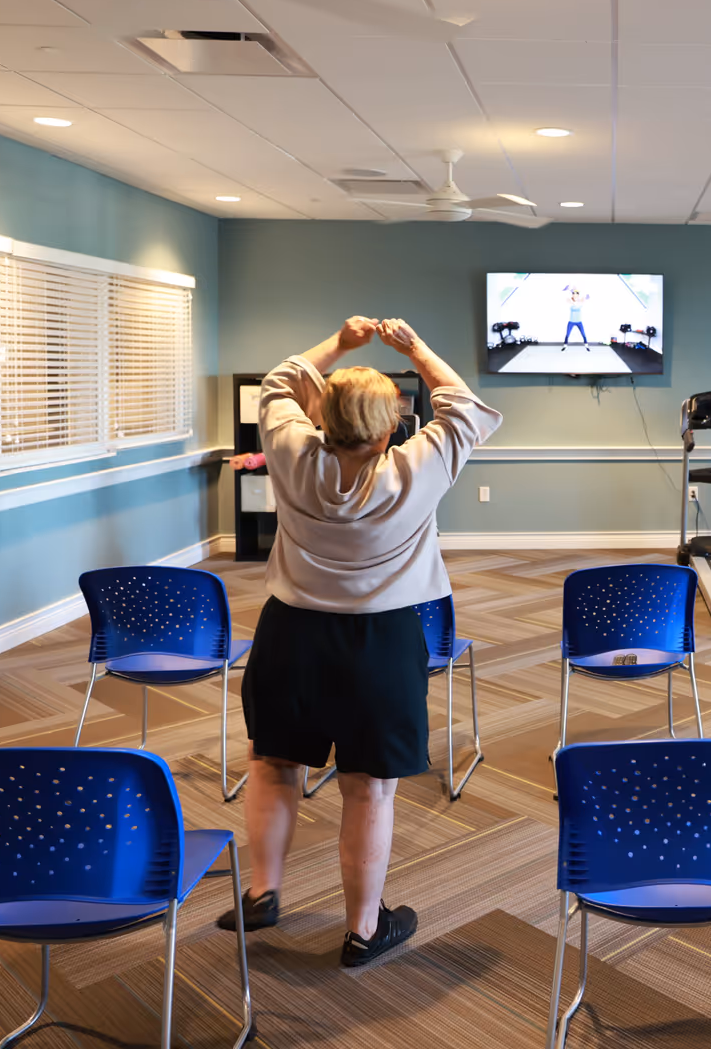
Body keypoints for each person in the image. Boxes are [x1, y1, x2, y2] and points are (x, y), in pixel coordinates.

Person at [217, 316, 501, 967]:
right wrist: (415, 347)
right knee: (369, 787)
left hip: (290, 634)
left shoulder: (290, 450)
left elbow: (280, 379)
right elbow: (462, 403)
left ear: (322, 414)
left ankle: (262, 892)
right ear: (392, 425)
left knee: (274, 763)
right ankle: (363, 930)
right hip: (381, 642)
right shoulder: (418, 465)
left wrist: (342, 344)